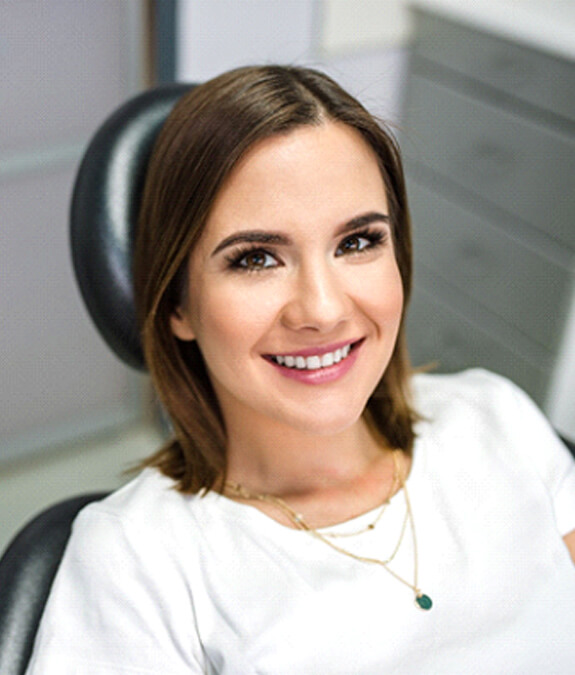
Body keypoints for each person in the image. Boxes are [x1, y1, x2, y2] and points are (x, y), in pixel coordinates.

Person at [27, 65, 575, 674]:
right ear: (178, 301)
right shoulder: (134, 561)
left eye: (357, 242)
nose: (323, 308)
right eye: (257, 258)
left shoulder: (494, 417)